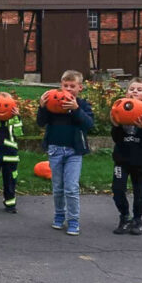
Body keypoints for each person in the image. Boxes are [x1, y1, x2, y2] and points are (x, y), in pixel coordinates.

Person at [37, 70, 94, 236]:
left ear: (80, 88)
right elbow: (41, 123)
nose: (68, 89)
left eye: (72, 86)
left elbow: (89, 124)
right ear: (60, 85)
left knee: (71, 187)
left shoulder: (82, 105)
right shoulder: (52, 102)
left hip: (74, 152)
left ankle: (74, 220)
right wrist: (42, 107)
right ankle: (59, 215)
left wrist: (76, 110)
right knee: (58, 187)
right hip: (55, 149)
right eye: (65, 85)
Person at [110, 79, 142, 235]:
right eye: (131, 89)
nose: (135, 92)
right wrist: (116, 126)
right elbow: (116, 138)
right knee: (117, 190)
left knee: (139, 193)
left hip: (141, 161)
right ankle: (124, 216)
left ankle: (137, 219)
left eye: (139, 89)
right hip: (122, 160)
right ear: (126, 93)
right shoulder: (120, 110)